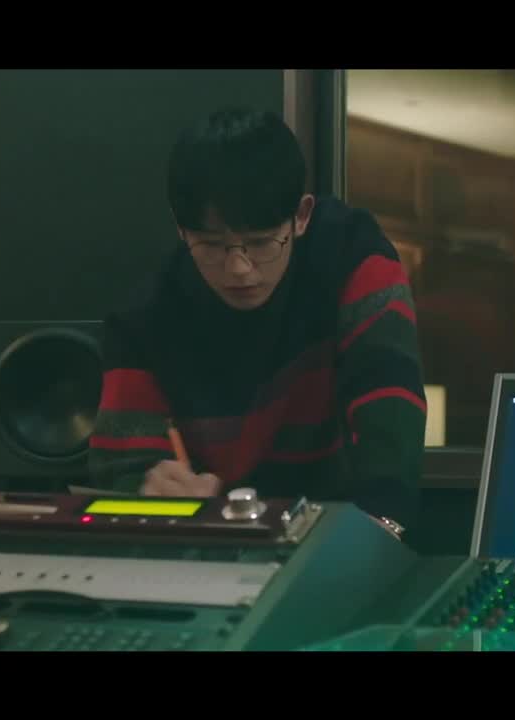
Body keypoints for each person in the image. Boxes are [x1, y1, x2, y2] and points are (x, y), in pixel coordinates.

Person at [87, 106, 426, 535]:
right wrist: (147, 489)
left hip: (340, 531)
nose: (240, 269)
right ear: (181, 228)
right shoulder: (145, 314)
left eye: (262, 242)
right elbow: (122, 468)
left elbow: (389, 415)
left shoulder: (352, 257)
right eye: (212, 246)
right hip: (209, 541)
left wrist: (382, 530)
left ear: (301, 216)